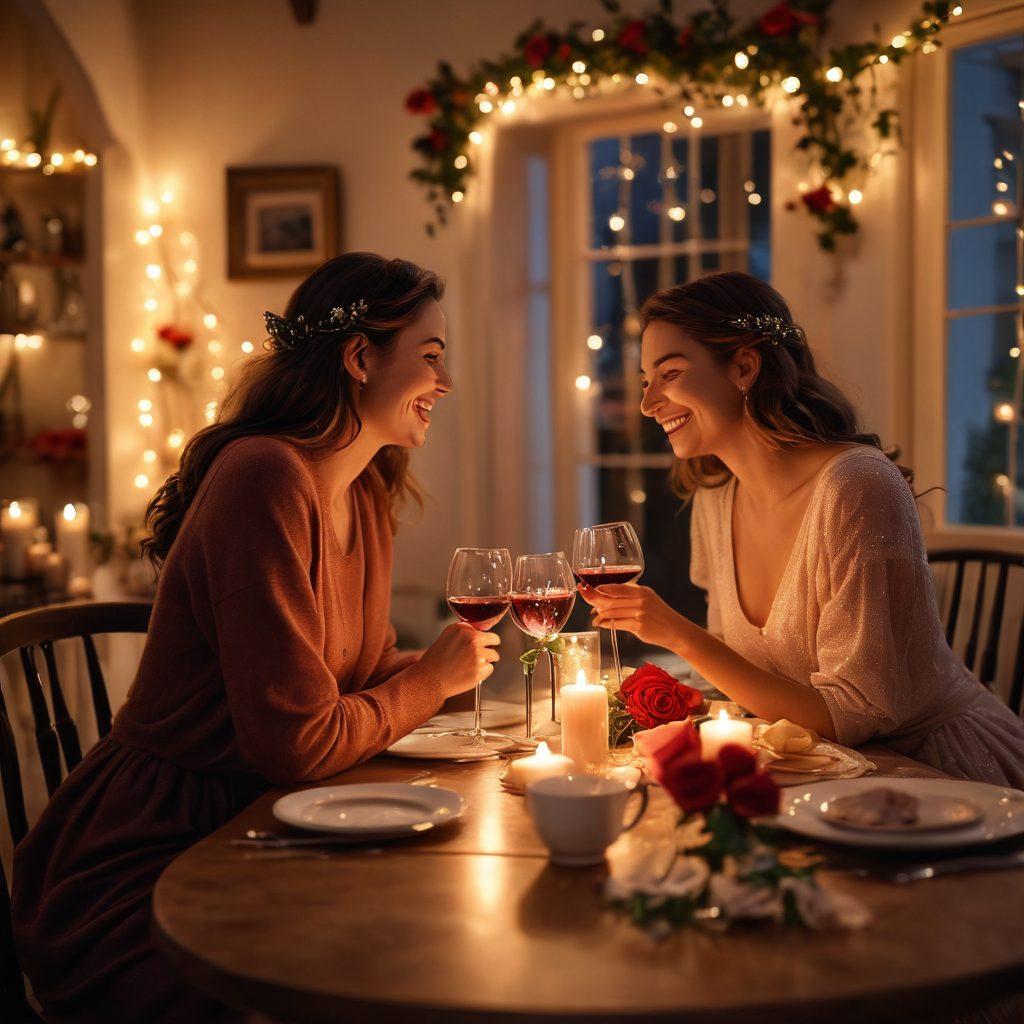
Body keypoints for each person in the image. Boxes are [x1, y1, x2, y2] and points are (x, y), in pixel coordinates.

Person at [12, 252, 500, 1022]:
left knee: (440, 940)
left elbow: (361, 673)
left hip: (278, 820)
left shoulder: (365, 492)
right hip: (159, 856)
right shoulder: (262, 478)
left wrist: (453, 675)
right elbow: (298, 742)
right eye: (430, 358)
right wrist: (432, 681)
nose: (443, 384)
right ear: (359, 356)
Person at [580, 271, 1024, 788]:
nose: (648, 402)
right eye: (644, 381)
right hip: (807, 768)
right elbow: (740, 674)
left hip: (925, 774)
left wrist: (676, 633)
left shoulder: (856, 486)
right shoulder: (715, 498)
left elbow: (853, 717)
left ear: (745, 367)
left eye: (670, 374)